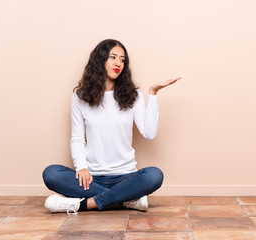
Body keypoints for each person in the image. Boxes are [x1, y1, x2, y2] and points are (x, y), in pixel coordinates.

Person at [42, 39, 179, 214]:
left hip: (126, 177)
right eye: (113, 57)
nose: (118, 63)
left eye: (122, 60)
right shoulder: (80, 96)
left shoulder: (133, 94)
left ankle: (81, 205)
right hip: (91, 178)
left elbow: (149, 133)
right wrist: (82, 168)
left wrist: (152, 93)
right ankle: (126, 201)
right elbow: (77, 138)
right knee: (51, 173)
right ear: (100, 60)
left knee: (154, 175)